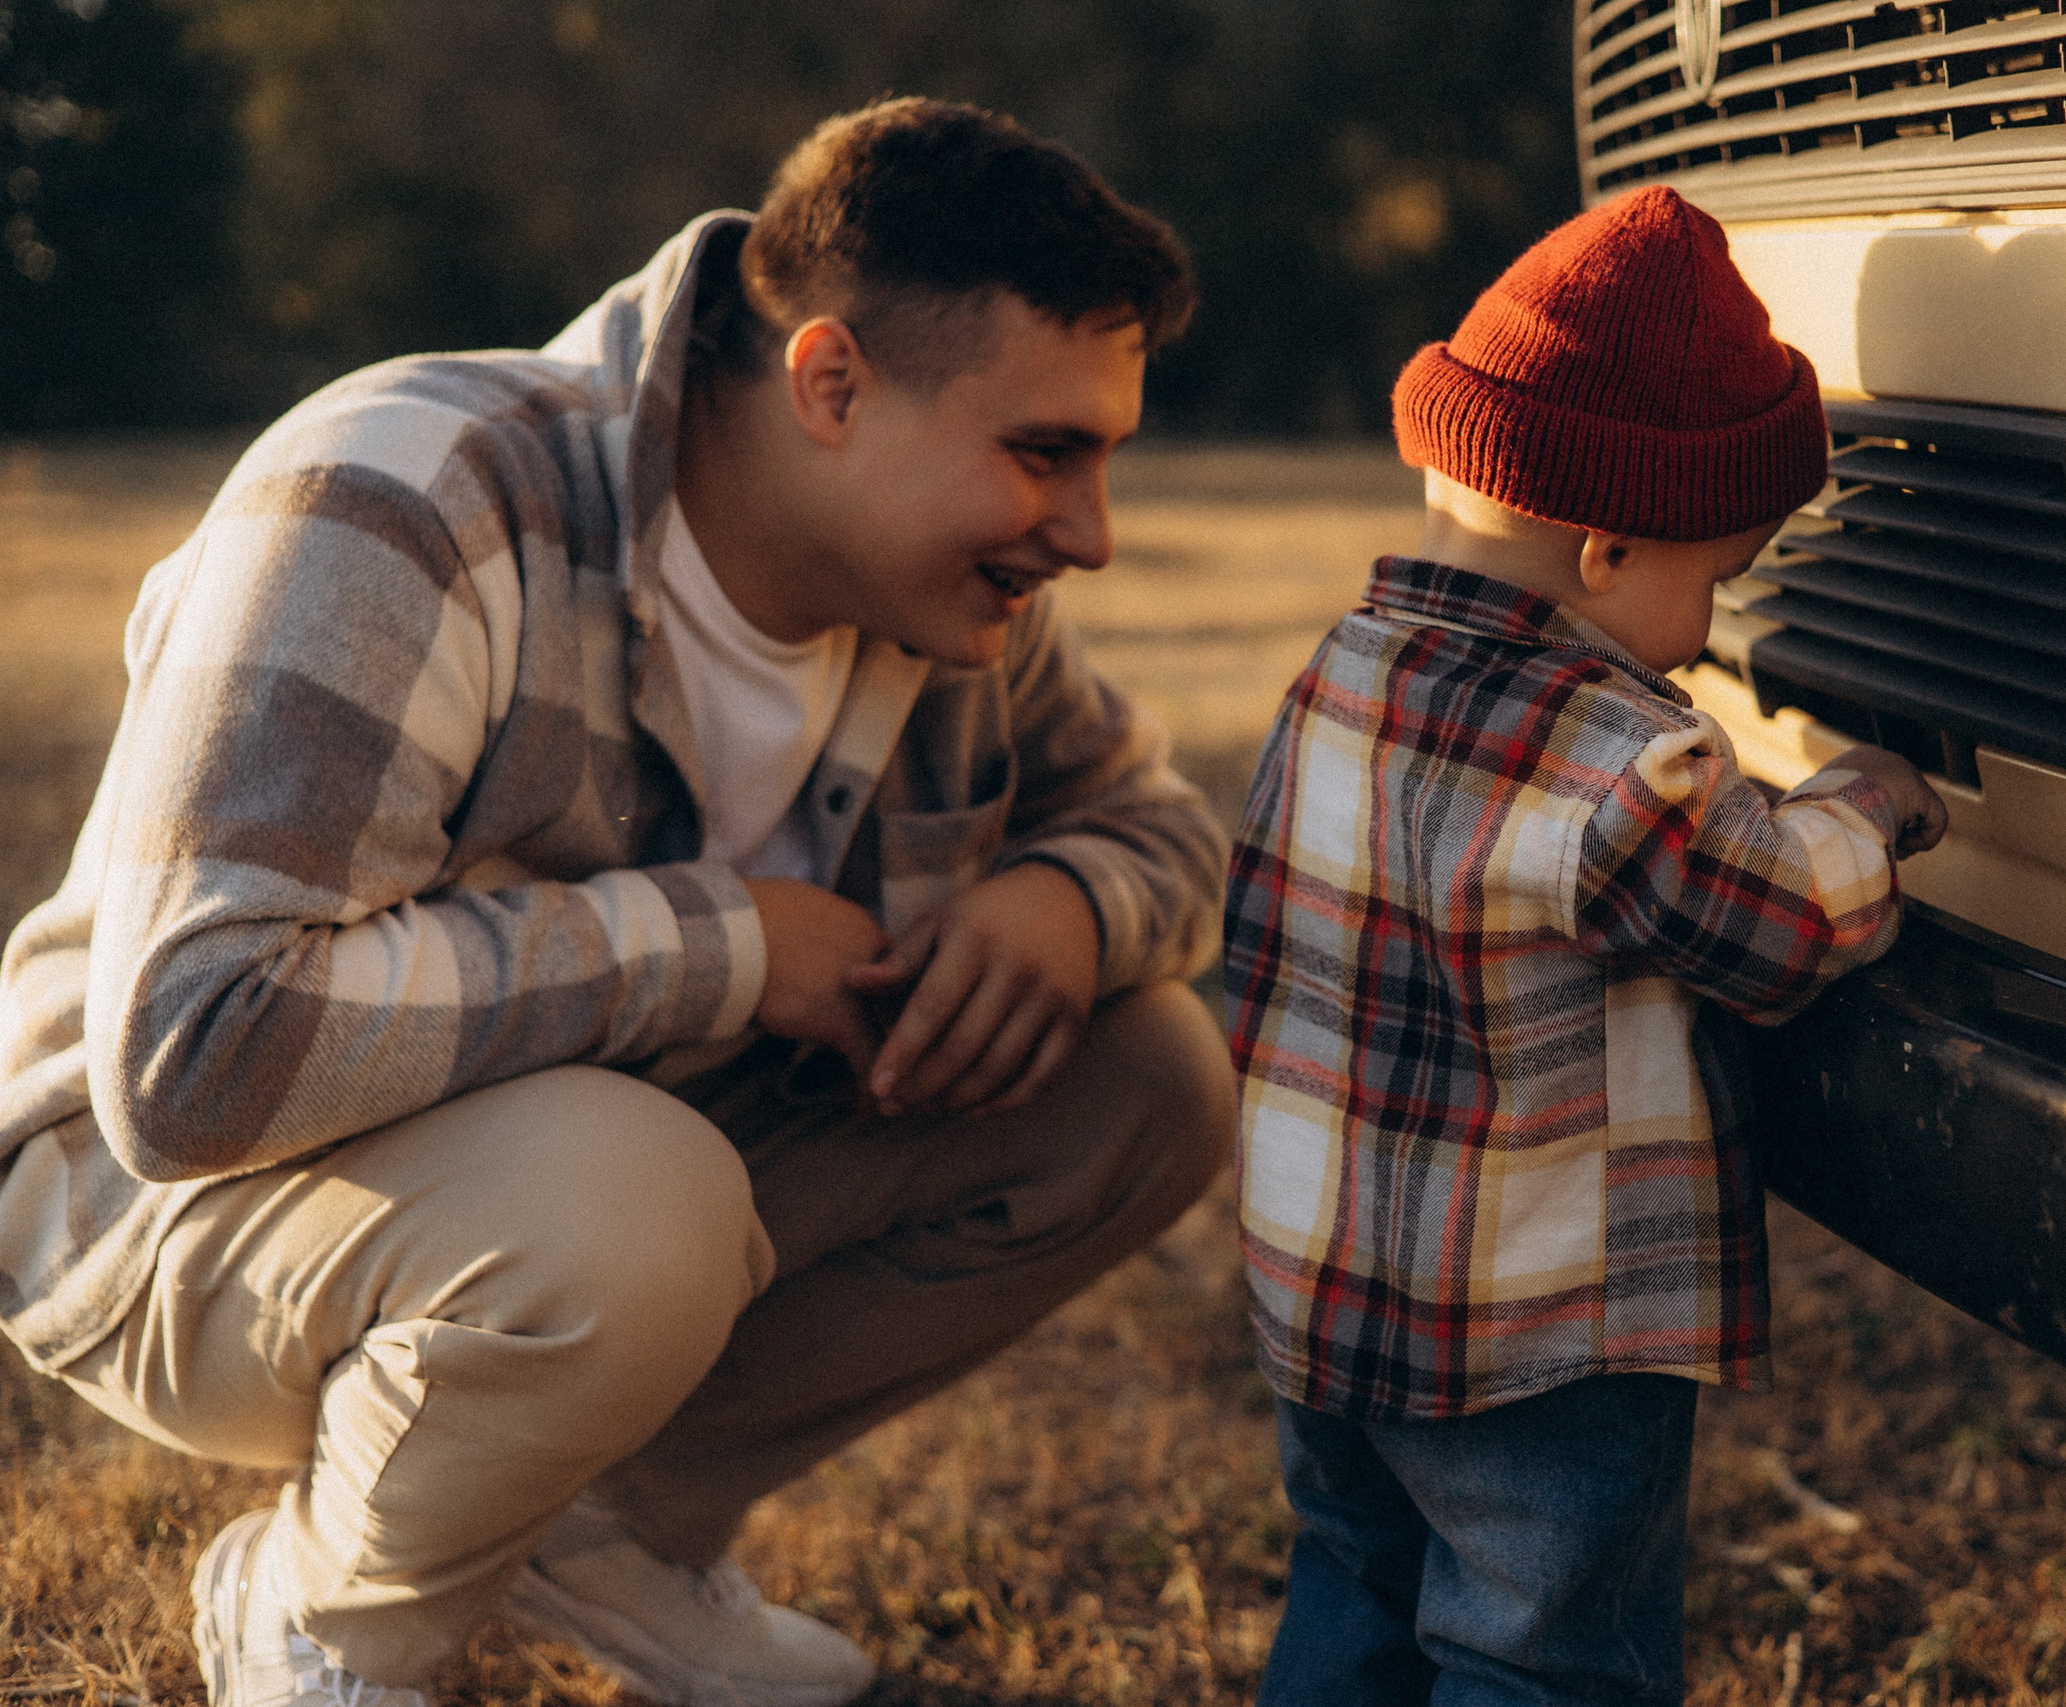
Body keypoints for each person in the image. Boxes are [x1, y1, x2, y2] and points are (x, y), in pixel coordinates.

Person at [0, 97, 1238, 1707]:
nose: (1089, 534)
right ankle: (324, 1619)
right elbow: (195, 1052)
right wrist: (721, 947)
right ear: (833, 383)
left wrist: (1068, 904)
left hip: (583, 1193)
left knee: (1142, 1075)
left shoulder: (932, 605)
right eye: (1043, 453)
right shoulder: (406, 493)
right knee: (635, 1192)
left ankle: (598, 1531)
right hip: (159, 1220)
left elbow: (1163, 826)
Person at [1223, 185, 1949, 1705]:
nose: (1710, 624)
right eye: (1720, 573)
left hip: (1322, 1292)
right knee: (1538, 1650)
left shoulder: (1335, 677)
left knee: (1354, 1584)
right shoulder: (1611, 761)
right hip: (1532, 1342)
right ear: (1609, 550)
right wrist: (1863, 807)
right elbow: (1781, 924)